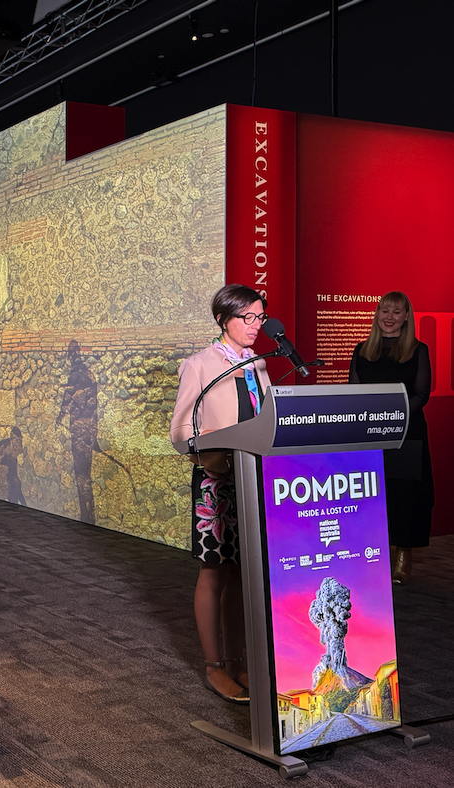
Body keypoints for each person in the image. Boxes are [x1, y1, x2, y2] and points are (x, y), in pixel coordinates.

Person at [170, 284, 272, 704]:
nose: (255, 326)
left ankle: (239, 662)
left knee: (243, 574)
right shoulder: (200, 365)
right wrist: (213, 435)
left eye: (260, 317)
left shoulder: (261, 365)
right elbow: (179, 432)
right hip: (217, 481)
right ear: (222, 320)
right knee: (214, 570)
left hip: (254, 478)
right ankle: (214, 667)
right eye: (246, 318)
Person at [348, 291, 433, 584]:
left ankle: (402, 554)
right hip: (370, 433)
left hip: (407, 432)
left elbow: (422, 394)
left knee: (405, 495)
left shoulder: (418, 350)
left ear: (406, 317)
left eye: (397, 312)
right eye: (385, 310)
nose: (390, 317)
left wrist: (392, 414)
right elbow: (354, 392)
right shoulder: (362, 350)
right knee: (373, 494)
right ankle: (374, 554)